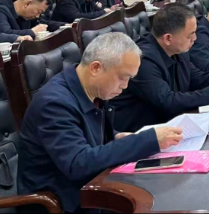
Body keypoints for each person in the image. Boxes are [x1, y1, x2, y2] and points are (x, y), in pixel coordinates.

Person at [17, 33, 183, 212]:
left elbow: (88, 135)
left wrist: (116, 136)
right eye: (122, 77)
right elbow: (78, 163)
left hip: (91, 187)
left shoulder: (94, 90)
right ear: (96, 68)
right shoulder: (54, 104)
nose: (125, 86)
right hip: (63, 201)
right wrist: (147, 140)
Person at [111, 4, 209, 132]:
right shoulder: (143, 60)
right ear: (168, 38)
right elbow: (168, 102)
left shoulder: (179, 50)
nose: (195, 38)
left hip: (170, 124)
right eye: (190, 35)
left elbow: (197, 78)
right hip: (139, 132)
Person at [0, 0, 66, 39]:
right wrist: (32, 32)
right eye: (39, 11)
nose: (37, 16)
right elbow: (5, 33)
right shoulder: (2, 8)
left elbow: (42, 23)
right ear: (27, 4)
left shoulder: (28, 14)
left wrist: (64, 25)